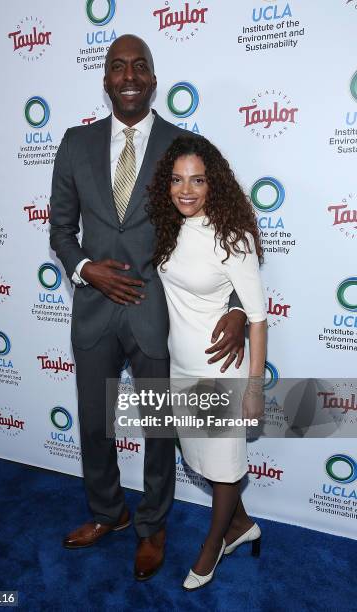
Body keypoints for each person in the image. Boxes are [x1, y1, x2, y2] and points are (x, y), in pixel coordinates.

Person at [49, 34, 247, 581]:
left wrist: (235, 302)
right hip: (92, 308)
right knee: (95, 423)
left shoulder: (183, 144)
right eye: (118, 66)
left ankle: (152, 526)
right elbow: (61, 229)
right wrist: (86, 268)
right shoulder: (73, 143)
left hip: (159, 315)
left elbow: (223, 226)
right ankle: (108, 513)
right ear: (106, 79)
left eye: (140, 67)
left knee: (160, 430)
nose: (129, 75)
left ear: (153, 79)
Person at [148, 135, 267, 590]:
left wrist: (254, 389)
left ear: (213, 183)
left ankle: (212, 547)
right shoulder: (170, 226)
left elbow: (258, 319)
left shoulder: (232, 238)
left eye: (198, 180)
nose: (187, 190)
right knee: (200, 457)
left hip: (220, 371)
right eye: (178, 180)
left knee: (223, 466)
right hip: (181, 366)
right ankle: (242, 527)